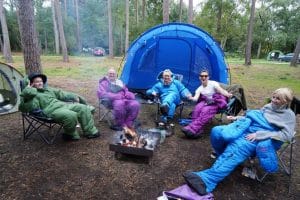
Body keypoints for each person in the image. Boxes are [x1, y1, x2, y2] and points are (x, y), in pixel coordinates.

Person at [183, 88, 296, 195]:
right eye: (273, 97)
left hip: (258, 137)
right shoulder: (269, 106)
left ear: (285, 102)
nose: (273, 100)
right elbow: (255, 118)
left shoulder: (288, 116)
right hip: (246, 128)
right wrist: (238, 118)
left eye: (278, 99)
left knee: (236, 147)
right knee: (216, 131)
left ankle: (207, 180)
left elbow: (287, 135)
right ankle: (223, 157)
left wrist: (259, 135)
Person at [19, 73, 100, 141]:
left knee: (83, 108)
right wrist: (29, 90)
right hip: (50, 112)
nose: (40, 83)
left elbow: (62, 94)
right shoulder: (30, 96)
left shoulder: (48, 90)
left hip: (63, 106)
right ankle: (70, 134)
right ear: (31, 84)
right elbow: (23, 107)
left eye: (41, 81)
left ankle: (90, 132)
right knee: (70, 115)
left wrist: (75, 96)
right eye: (37, 82)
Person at [181, 70, 233, 138]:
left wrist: (227, 94)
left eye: (205, 76)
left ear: (208, 77)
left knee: (205, 110)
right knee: (197, 109)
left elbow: (220, 90)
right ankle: (198, 130)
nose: (204, 77)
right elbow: (195, 99)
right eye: (202, 76)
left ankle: (193, 129)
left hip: (216, 101)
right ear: (200, 77)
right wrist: (190, 97)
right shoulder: (199, 89)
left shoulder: (213, 83)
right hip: (206, 101)